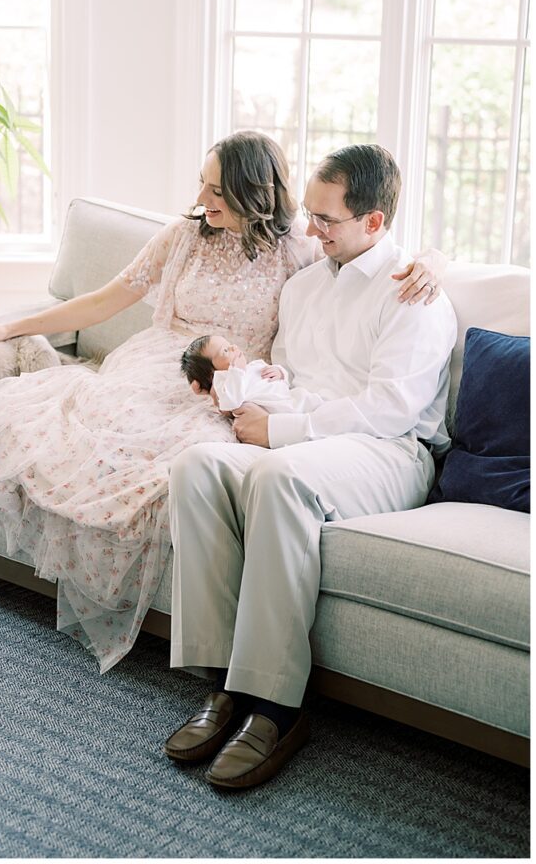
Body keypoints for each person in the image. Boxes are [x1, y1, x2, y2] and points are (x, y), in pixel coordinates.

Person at [0, 131, 442, 673]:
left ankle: (253, 687)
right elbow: (102, 300)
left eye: (218, 193)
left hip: (247, 391)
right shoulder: (195, 239)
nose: (204, 202)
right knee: (109, 439)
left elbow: (372, 267)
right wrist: (6, 328)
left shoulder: (303, 256)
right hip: (172, 370)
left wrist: (431, 261)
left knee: (195, 462)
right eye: (201, 186)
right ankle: (214, 671)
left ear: (254, 194)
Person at [163, 143, 457, 791]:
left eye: (327, 220)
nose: (310, 230)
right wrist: (254, 409)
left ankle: (275, 708)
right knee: (197, 467)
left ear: (373, 222)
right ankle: (222, 686)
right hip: (308, 439)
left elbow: (389, 410)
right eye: (310, 215)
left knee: (276, 474)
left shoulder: (412, 294)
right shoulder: (301, 286)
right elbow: (287, 376)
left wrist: (282, 433)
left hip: (389, 454)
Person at [180, 334, 293, 412]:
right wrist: (236, 372)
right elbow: (231, 402)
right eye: (225, 350)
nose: (234, 347)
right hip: (279, 410)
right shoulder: (223, 384)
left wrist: (280, 372)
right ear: (212, 374)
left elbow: (286, 379)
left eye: (230, 344)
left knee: (306, 396)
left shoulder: (252, 366)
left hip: (291, 398)